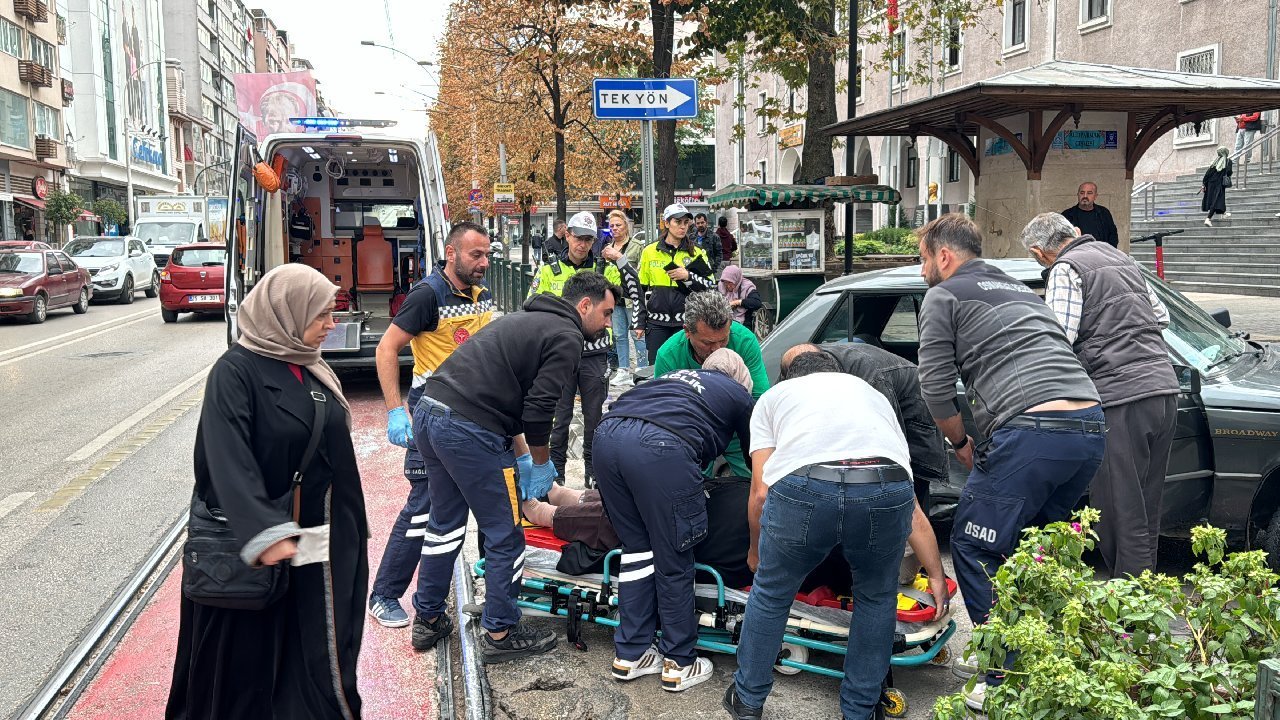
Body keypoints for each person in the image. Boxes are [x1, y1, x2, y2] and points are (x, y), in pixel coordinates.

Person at [915, 214, 1105, 712]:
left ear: (944, 256)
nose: (921, 272)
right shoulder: (1021, 289)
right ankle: (1047, 664)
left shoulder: (944, 295)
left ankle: (1003, 676)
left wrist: (960, 442)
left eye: (922, 260)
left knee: (975, 547)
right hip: (1088, 426)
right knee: (1034, 551)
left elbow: (933, 388)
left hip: (1032, 429)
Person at [167, 264, 366, 720]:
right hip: (257, 548)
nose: (331, 326)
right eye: (321, 316)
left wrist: (350, 531)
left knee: (316, 641)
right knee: (248, 663)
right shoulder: (235, 372)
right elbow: (224, 458)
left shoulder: (308, 366)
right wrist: (265, 532)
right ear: (286, 314)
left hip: (316, 539)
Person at [410, 271, 616, 663]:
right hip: (470, 430)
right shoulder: (567, 336)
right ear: (584, 305)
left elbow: (512, 403)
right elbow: (540, 410)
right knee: (506, 533)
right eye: (605, 313)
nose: (608, 323)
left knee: (445, 522)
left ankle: (429, 616)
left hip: (431, 413)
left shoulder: (522, 321)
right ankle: (500, 632)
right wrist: (540, 464)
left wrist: (522, 454)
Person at [725, 350, 916, 720]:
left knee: (772, 592)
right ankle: (861, 710)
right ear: (837, 372)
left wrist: (755, 552)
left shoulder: (775, 398)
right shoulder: (868, 392)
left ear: (788, 377)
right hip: (888, 486)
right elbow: (893, 458)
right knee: (876, 597)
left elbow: (761, 490)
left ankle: (747, 701)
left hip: (806, 486)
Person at [1021, 212, 1178, 579]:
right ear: (1074, 231)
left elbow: (1058, 339)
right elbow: (1162, 317)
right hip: (1164, 390)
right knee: (1145, 506)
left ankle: (1132, 612)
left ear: (1039, 252)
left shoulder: (1065, 269)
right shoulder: (1120, 258)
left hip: (1121, 399)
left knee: (1119, 511)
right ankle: (1145, 597)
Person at [592, 349, 754, 693]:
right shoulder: (739, 393)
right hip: (660, 447)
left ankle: (632, 653)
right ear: (741, 378)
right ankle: (679, 662)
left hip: (606, 438)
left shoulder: (670, 379)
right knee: (675, 554)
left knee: (637, 549)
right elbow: (758, 459)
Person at [367, 222, 494, 631]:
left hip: (473, 412)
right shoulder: (428, 295)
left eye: (487, 254)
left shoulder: (481, 293)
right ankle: (384, 593)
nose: (484, 263)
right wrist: (394, 411)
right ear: (452, 253)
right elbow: (387, 349)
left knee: (467, 503)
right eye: (476, 255)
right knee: (424, 504)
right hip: (433, 411)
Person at [779, 342, 949, 600]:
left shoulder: (868, 381)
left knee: (899, 497)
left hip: (910, 419)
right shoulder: (792, 375)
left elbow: (889, 450)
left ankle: (901, 573)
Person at [529, 212, 639, 485]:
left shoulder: (603, 269)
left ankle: (594, 476)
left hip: (595, 355)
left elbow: (633, 287)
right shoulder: (549, 270)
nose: (583, 244)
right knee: (559, 418)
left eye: (589, 239)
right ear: (567, 235)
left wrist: (621, 260)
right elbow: (529, 305)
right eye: (579, 237)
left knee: (594, 419)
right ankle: (556, 477)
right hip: (558, 356)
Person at [653, 291, 769, 479]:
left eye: (723, 340)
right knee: (690, 486)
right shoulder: (668, 355)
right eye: (707, 343)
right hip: (693, 434)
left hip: (738, 431)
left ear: (730, 325)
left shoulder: (745, 341)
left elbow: (759, 398)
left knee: (756, 482)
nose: (717, 349)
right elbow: (665, 415)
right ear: (687, 331)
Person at [635, 203, 715, 364]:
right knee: (657, 368)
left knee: (685, 367)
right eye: (678, 222)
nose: (683, 226)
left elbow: (711, 286)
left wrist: (688, 276)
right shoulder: (649, 251)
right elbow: (639, 290)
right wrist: (639, 322)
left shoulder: (697, 252)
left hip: (687, 323)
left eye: (686, 222)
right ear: (666, 223)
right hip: (656, 323)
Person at [601, 209, 648, 381]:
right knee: (619, 335)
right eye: (611, 225)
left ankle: (642, 368)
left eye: (618, 225)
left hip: (632, 298)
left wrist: (620, 258)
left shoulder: (637, 246)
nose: (614, 228)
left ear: (626, 226)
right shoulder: (607, 249)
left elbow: (641, 273)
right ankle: (623, 369)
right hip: (615, 300)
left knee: (638, 334)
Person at [1060, 182, 1119, 248]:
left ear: (1095, 196)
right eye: (1082, 193)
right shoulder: (1067, 215)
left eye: (1089, 193)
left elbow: (1113, 237)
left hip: (1101, 254)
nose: (1085, 196)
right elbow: (1061, 240)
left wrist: (1108, 253)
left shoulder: (1104, 213)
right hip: (1076, 255)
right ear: (1078, 195)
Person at [716, 265, 763, 331]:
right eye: (726, 283)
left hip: (743, 322)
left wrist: (737, 302)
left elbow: (757, 302)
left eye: (730, 283)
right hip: (724, 321)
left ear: (736, 280)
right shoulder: (721, 286)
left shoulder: (746, 286)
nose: (728, 286)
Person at [1202, 147, 1233, 227]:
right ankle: (1208, 218)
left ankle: (1223, 213)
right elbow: (1229, 173)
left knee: (1218, 199)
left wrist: (1203, 184)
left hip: (1210, 183)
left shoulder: (1215, 161)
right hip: (1218, 184)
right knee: (1215, 201)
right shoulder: (1228, 161)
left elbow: (1207, 174)